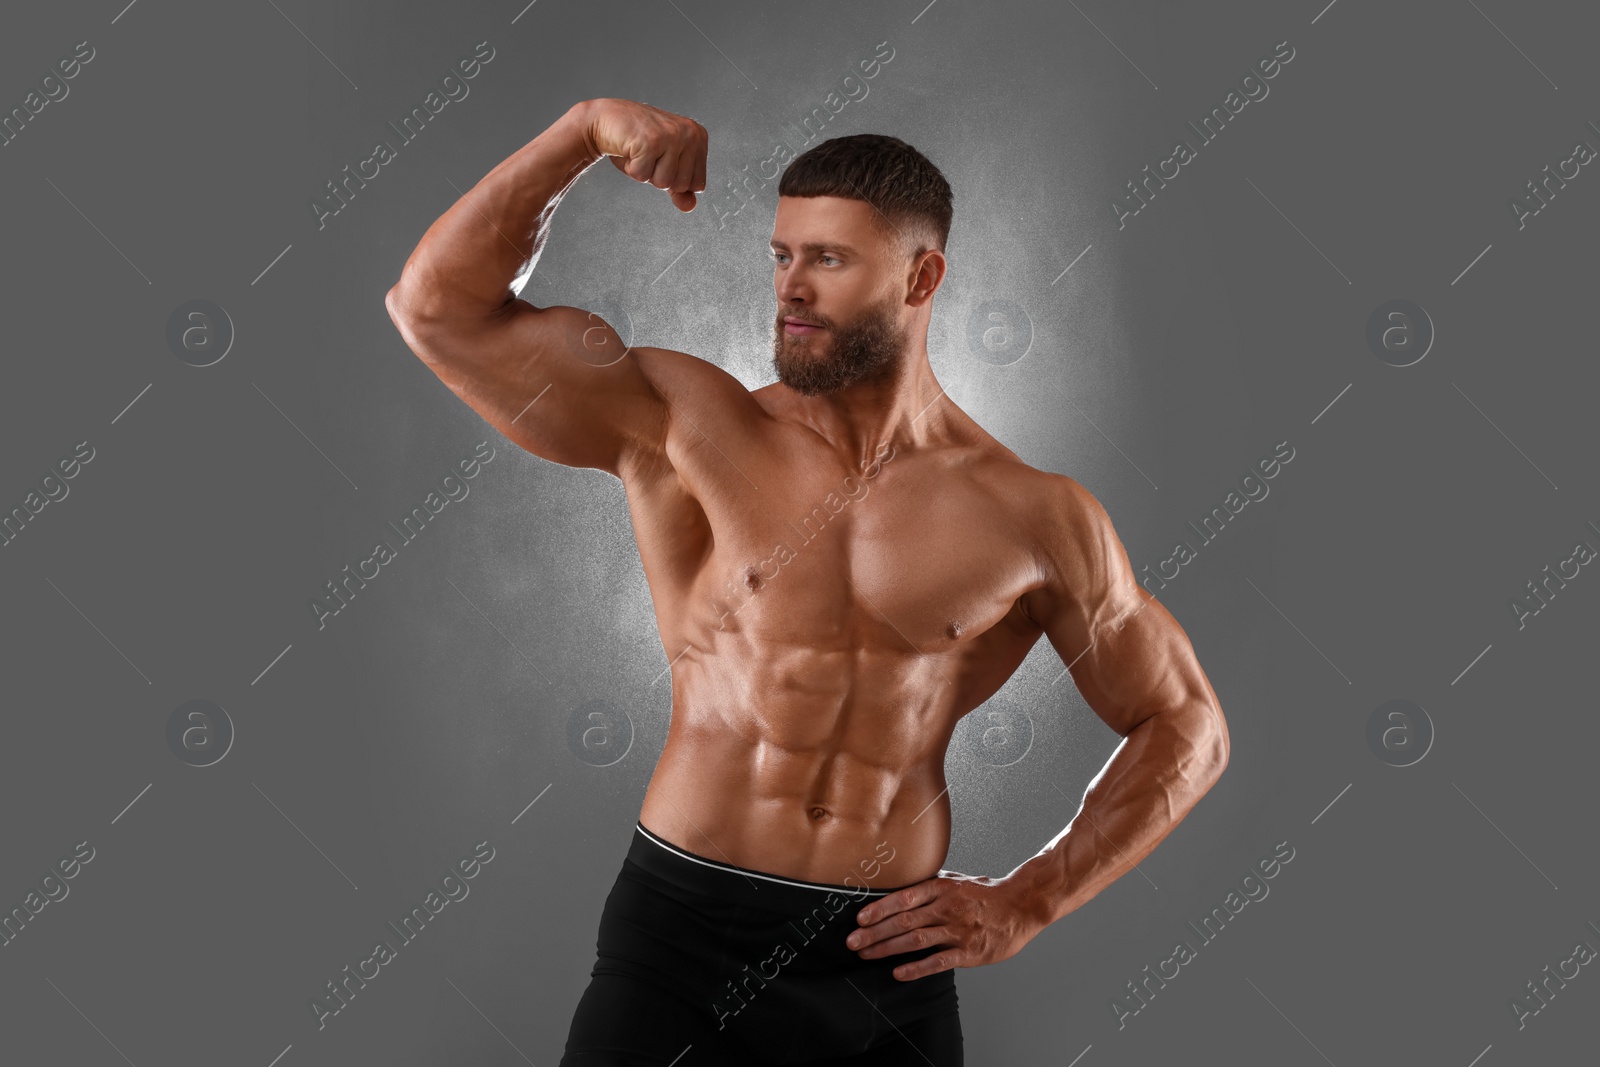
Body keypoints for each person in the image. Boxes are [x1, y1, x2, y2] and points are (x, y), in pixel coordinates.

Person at [385, 97, 1230, 1066]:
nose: (791, 286)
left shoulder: (1034, 514)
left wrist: (1029, 898)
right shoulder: (683, 420)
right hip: (684, 938)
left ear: (922, 276)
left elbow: (1186, 723)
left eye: (828, 259)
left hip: (886, 963)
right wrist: (576, 134)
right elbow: (436, 307)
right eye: (782, 255)